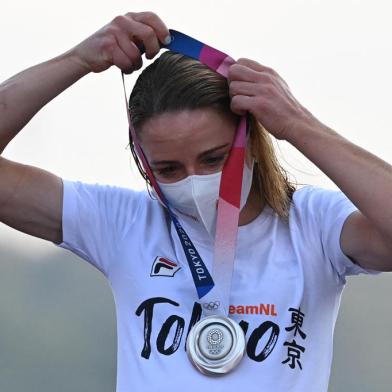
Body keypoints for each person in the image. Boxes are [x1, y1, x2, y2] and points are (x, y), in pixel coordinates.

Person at [0, 10, 391, 392]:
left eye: (214, 158)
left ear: (251, 141)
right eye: (168, 169)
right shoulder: (123, 224)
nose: (195, 182)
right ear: (142, 161)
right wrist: (77, 60)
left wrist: (297, 123)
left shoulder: (314, 225)